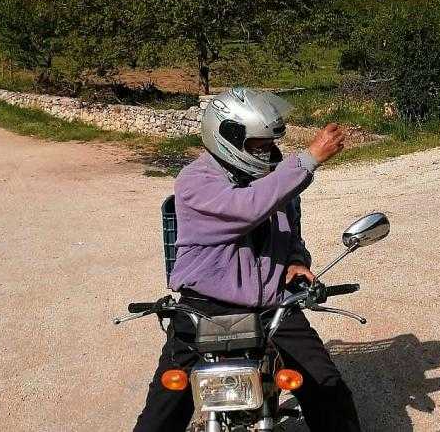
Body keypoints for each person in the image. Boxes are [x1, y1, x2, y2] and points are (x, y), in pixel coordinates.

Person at [133, 87, 360, 432]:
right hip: (205, 307)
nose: (267, 151)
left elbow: (289, 231)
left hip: (271, 305)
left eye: (268, 144)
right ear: (227, 137)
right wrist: (308, 158)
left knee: (328, 390)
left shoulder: (273, 176)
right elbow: (247, 208)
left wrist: (295, 260)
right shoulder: (195, 182)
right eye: (258, 145)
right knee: (161, 412)